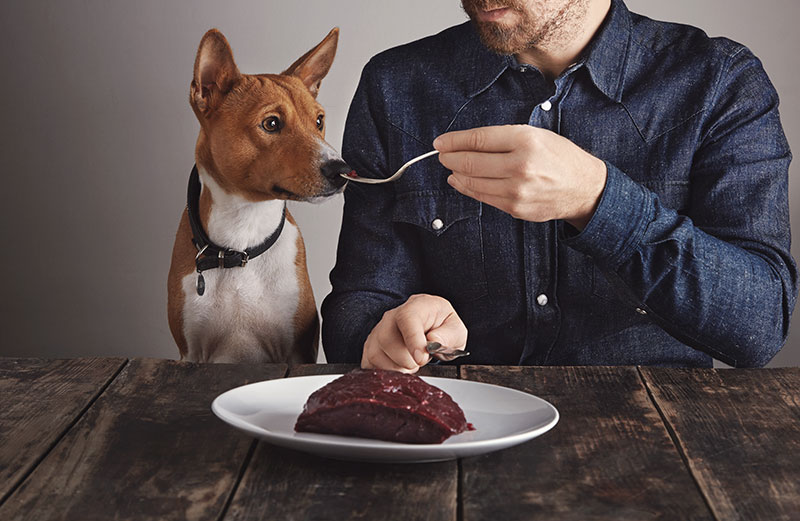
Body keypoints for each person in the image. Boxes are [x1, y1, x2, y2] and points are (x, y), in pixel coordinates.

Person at [321, 0, 798, 372]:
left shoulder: (720, 82)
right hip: (460, 430)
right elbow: (358, 302)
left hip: (655, 433)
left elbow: (758, 327)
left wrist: (598, 201)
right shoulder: (395, 85)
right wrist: (382, 335)